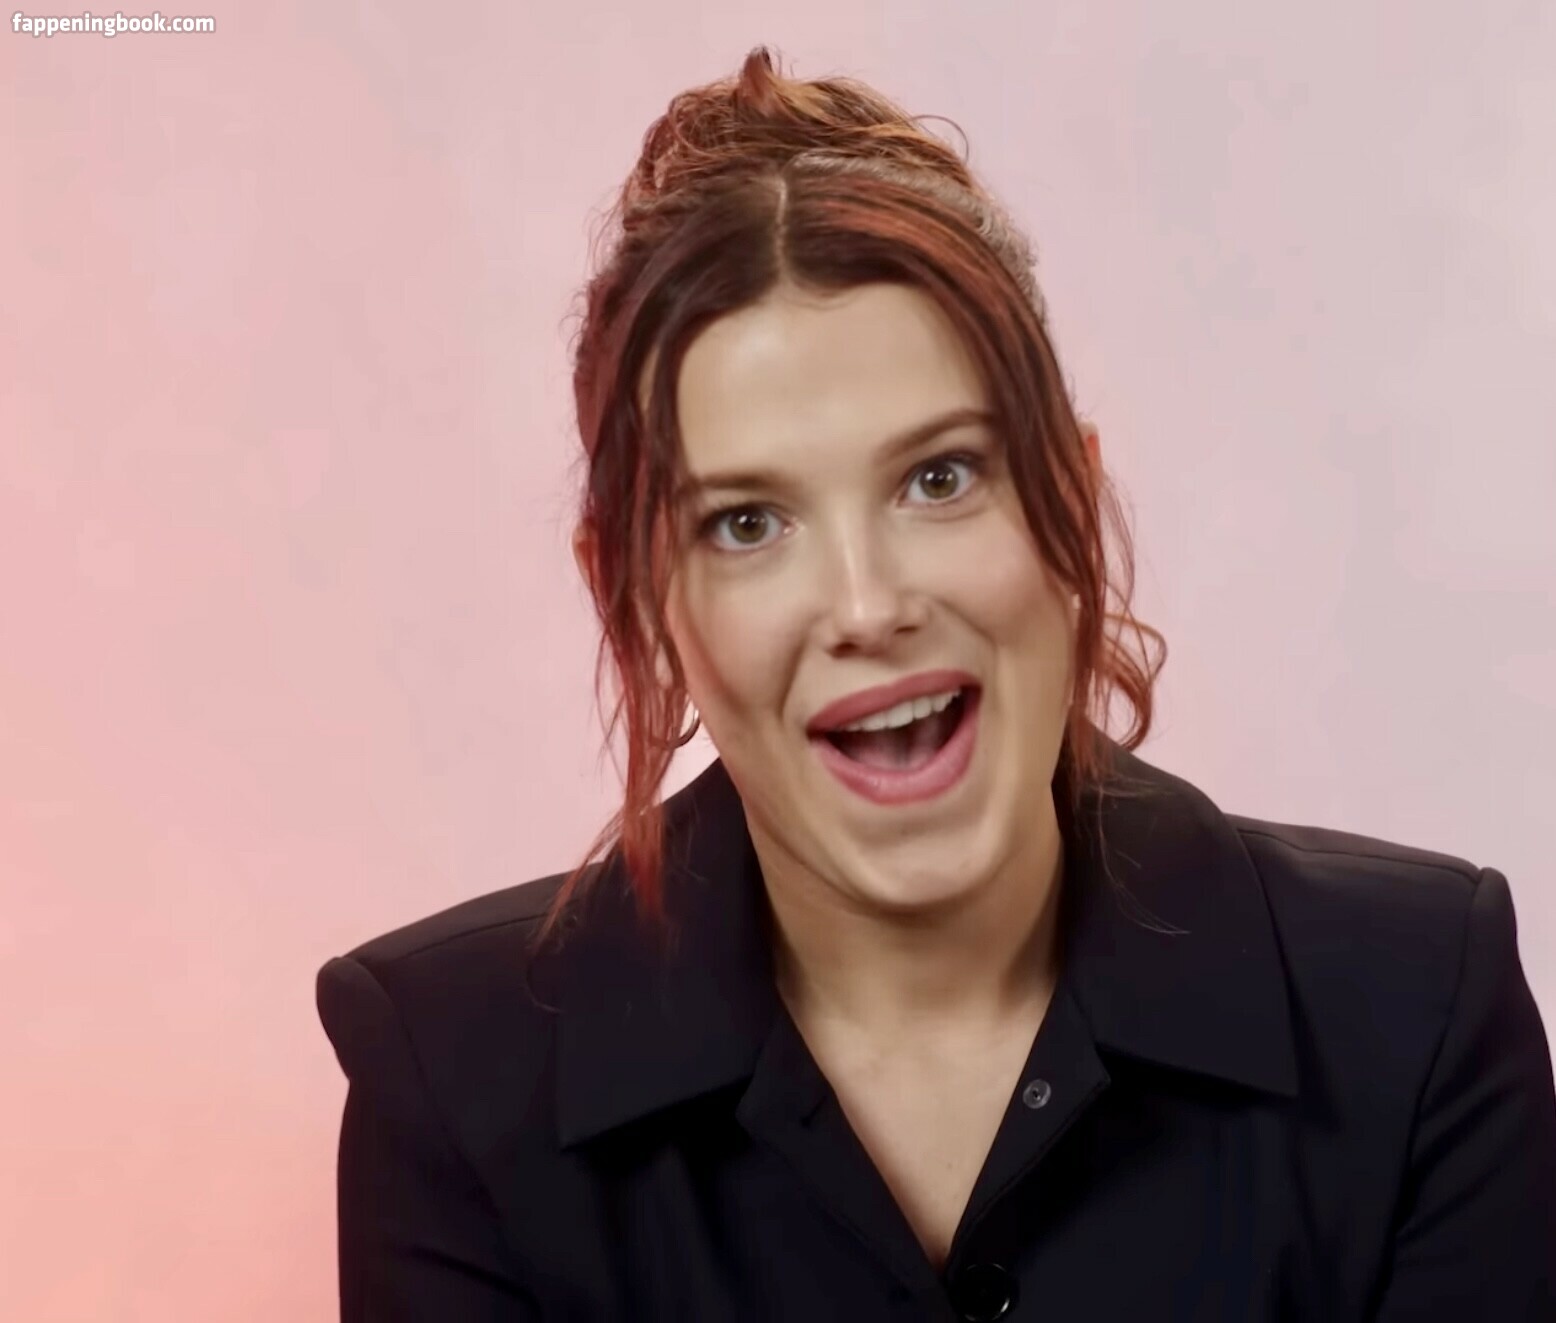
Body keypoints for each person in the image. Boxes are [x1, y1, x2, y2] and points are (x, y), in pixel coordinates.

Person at [315, 46, 1556, 1321]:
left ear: (1069, 493)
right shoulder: (451, 1081)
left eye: (937, 478)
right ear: (632, 592)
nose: (866, 607)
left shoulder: (1416, 1009)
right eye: (745, 523)